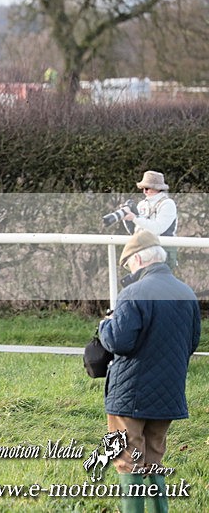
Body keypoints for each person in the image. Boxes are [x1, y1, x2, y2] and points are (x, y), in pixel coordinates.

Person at [99, 230, 200, 513]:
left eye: (129, 263)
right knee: (154, 457)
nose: (129, 270)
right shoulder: (186, 293)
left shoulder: (133, 293)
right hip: (168, 394)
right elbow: (192, 342)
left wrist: (105, 325)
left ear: (140, 259)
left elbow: (119, 341)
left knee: (127, 457)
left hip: (130, 394)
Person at [122, 170, 178, 269]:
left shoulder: (168, 204)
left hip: (162, 250)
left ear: (157, 188)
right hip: (143, 249)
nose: (145, 191)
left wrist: (135, 218)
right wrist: (127, 218)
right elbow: (136, 231)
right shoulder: (142, 204)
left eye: (147, 188)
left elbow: (158, 228)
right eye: (143, 188)